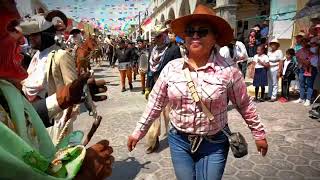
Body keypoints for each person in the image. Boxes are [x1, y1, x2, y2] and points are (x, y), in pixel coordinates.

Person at [127, 4, 268, 180]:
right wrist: (138, 132)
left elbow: (244, 104)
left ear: (214, 36)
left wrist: (258, 133)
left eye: (202, 31)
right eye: (190, 31)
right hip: (178, 141)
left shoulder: (228, 70)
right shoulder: (172, 68)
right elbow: (155, 103)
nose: (194, 35)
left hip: (214, 143)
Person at [0, 1, 113, 179]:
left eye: (34, 36)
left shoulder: (60, 55)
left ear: (46, 35)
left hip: (57, 122)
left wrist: (68, 99)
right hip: (41, 126)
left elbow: (70, 85)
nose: (25, 41)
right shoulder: (34, 57)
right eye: (10, 29)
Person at [144, 22, 182, 154]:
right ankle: (153, 142)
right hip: (155, 87)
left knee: (170, 116)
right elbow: (150, 71)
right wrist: (147, 87)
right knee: (153, 116)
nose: (156, 39)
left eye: (158, 36)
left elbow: (179, 70)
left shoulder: (173, 49)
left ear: (165, 35)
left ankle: (176, 140)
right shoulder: (152, 50)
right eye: (154, 37)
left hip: (169, 87)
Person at [294, 38, 315, 106]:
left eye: (305, 42)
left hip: (310, 68)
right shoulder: (299, 51)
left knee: (309, 84)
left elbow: (312, 59)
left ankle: (308, 99)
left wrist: (306, 61)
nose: (303, 43)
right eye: (302, 42)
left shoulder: (311, 51)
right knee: (301, 84)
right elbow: (297, 58)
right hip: (302, 69)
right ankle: (301, 98)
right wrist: (303, 61)